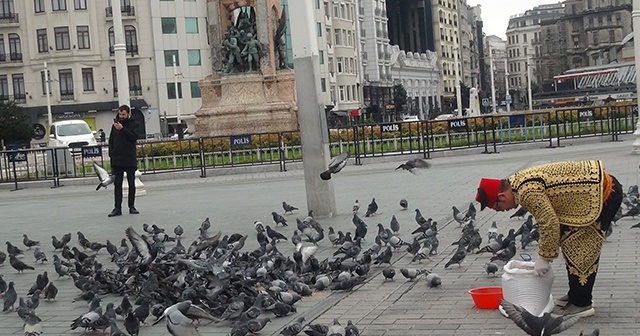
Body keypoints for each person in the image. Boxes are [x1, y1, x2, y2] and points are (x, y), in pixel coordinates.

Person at [475, 160, 622, 318]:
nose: (504, 211)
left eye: (498, 208)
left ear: (501, 196)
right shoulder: (518, 182)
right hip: (595, 192)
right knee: (570, 244)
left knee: (581, 250)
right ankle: (576, 296)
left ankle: (581, 303)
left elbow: (548, 222)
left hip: (603, 195)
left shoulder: (525, 192)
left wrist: (544, 257)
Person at [108, 105, 140, 217]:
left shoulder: (134, 124)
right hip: (117, 159)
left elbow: (133, 137)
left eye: (123, 115)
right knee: (117, 185)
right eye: (120, 114)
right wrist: (111, 154)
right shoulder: (114, 126)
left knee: (131, 183)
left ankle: (132, 206)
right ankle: (117, 208)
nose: (121, 116)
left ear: (128, 114)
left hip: (129, 158)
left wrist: (122, 129)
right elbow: (111, 140)